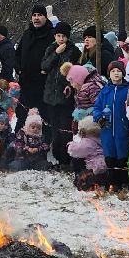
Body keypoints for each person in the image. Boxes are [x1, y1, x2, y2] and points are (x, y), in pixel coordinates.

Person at [40, 24, 77, 165]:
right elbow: (44, 66)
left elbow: (75, 72)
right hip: (50, 95)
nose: (61, 39)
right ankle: (55, 156)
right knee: (53, 127)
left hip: (65, 96)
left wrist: (69, 86)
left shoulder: (73, 50)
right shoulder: (51, 48)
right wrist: (56, 53)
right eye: (58, 36)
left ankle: (65, 158)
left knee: (64, 128)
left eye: (63, 36)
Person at [92, 62, 129, 189]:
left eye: (118, 71)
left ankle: (124, 182)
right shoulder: (105, 91)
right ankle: (112, 183)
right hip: (107, 130)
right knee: (110, 156)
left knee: (123, 156)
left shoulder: (127, 89)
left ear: (123, 73)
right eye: (113, 71)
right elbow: (97, 107)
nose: (116, 73)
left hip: (122, 129)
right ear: (109, 74)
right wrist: (99, 118)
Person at [14, 6, 55, 115]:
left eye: (40, 15)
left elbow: (56, 57)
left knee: (43, 118)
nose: (36, 18)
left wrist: (48, 70)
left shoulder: (52, 35)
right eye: (34, 15)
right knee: (23, 116)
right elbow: (17, 54)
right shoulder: (27, 34)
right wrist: (18, 69)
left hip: (44, 85)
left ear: (45, 17)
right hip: (26, 83)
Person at [68, 117, 106, 190]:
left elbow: (74, 151)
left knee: (75, 160)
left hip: (94, 167)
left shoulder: (88, 141)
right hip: (102, 165)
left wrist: (73, 143)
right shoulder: (99, 138)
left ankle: (82, 184)